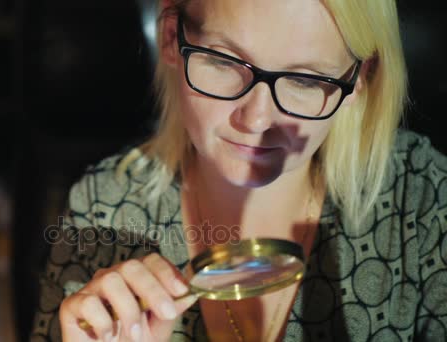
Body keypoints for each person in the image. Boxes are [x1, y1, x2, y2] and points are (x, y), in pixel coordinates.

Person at [30, 0, 447, 341]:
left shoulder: (419, 198)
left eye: (305, 80)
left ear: (360, 79)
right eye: (225, 60)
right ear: (172, 37)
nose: (257, 119)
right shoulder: (102, 212)